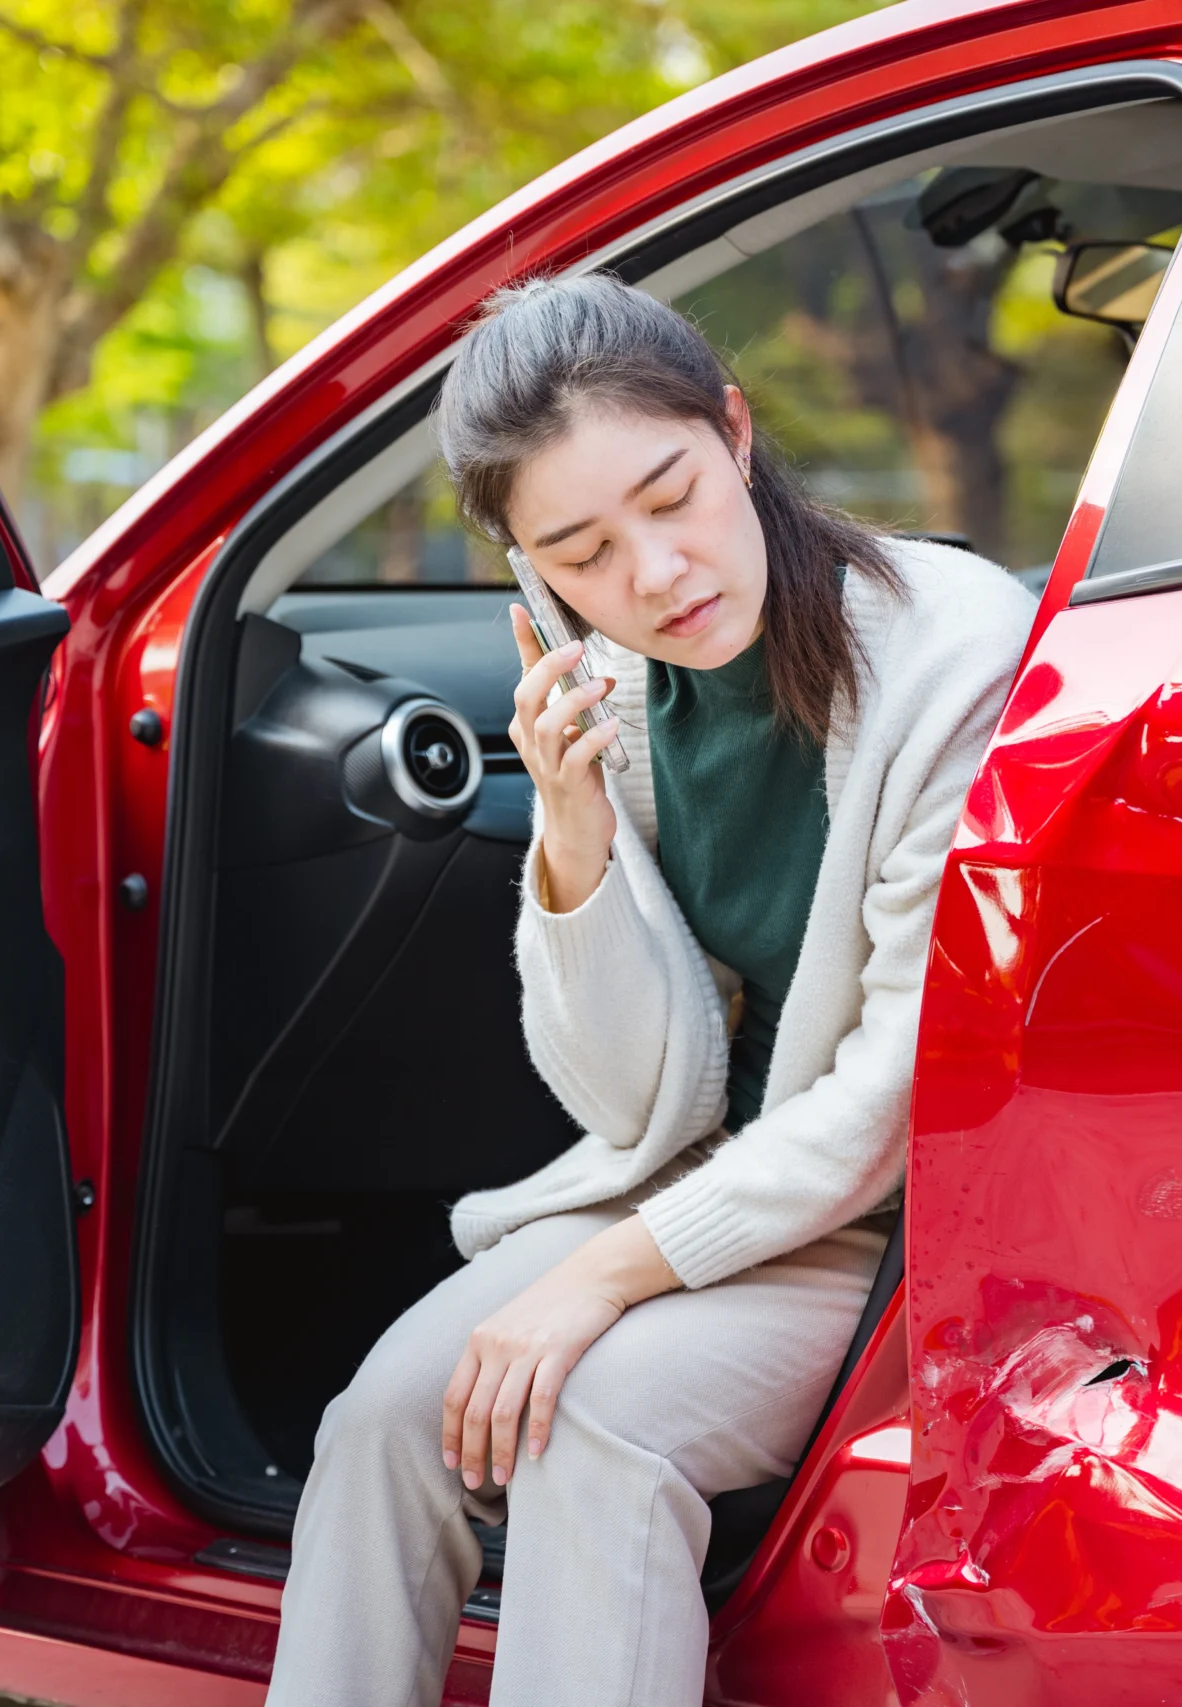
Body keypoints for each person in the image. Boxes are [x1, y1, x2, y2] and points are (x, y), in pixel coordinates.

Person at [264, 272, 1036, 1707]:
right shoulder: (614, 698)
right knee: (385, 1414)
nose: (658, 572)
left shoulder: (954, 652)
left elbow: (896, 1091)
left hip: (896, 1228)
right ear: (531, 576)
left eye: (671, 494)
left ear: (734, 433)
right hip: (712, 1188)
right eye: (583, 551)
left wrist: (595, 1280)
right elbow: (631, 1098)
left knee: (590, 1422)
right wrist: (572, 835)